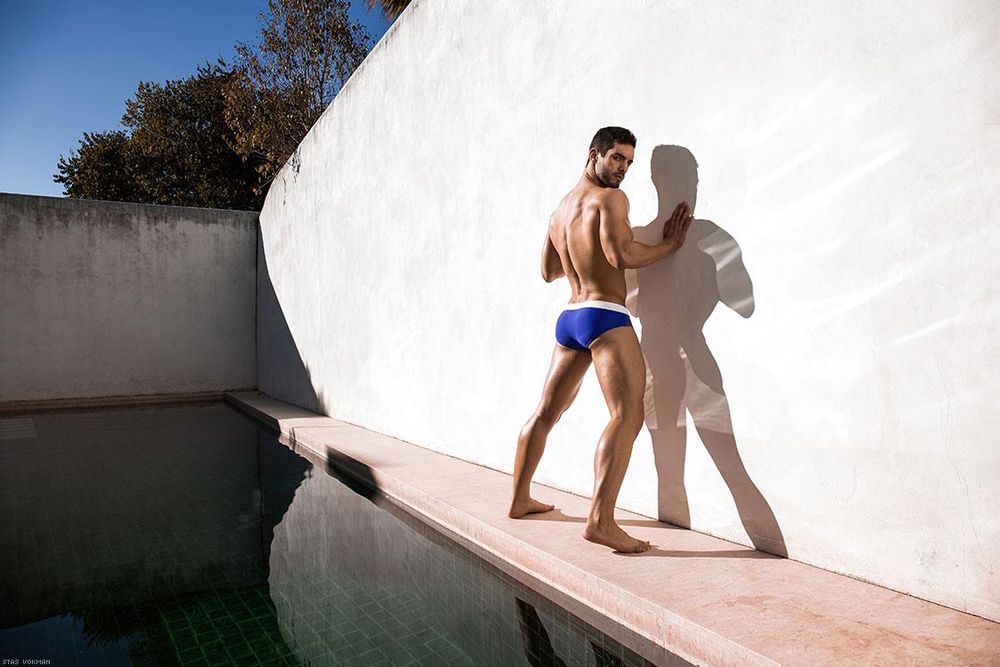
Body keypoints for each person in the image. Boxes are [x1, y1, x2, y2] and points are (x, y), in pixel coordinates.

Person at [508, 127, 693, 553]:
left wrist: (581, 252)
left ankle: (519, 498)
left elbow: (549, 271)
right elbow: (621, 256)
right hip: (605, 315)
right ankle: (601, 521)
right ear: (595, 154)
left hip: (570, 317)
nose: (623, 169)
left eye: (629, 162)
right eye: (617, 158)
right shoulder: (611, 199)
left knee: (546, 412)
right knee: (627, 415)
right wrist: (669, 244)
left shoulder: (560, 210)